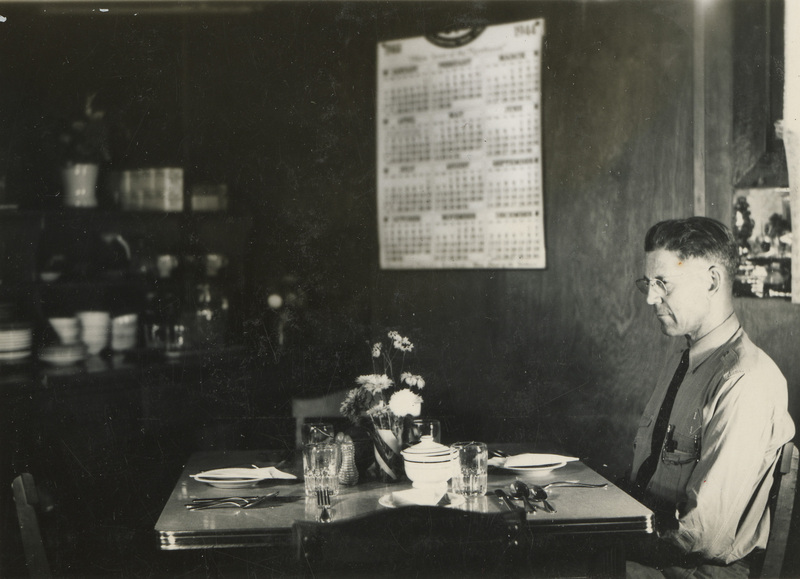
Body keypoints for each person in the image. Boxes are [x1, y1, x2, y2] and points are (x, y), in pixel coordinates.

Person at [626, 217, 795, 579]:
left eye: (662, 283)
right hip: (659, 557)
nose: (651, 298)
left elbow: (703, 535)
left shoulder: (744, 380)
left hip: (696, 571)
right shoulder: (683, 360)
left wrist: (607, 545)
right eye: (648, 284)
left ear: (712, 281)